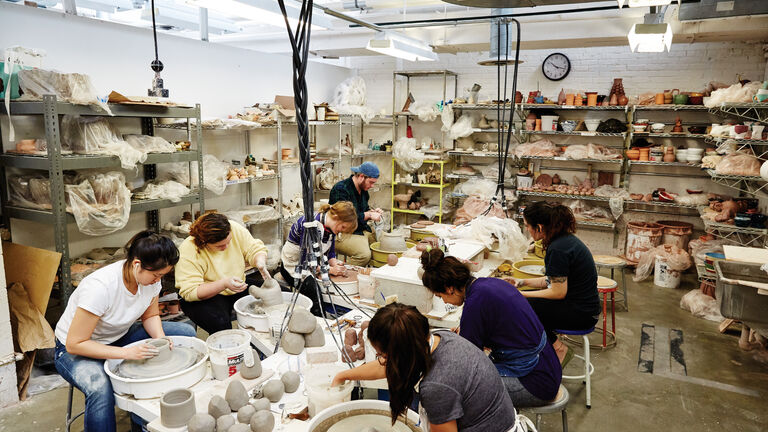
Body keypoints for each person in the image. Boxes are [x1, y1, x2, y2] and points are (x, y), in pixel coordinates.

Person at [54, 231, 196, 432]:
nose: (158, 281)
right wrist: (127, 353)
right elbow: (75, 343)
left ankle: (144, 419)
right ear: (137, 264)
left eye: (162, 276)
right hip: (75, 349)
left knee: (185, 334)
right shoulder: (100, 288)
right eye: (156, 275)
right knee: (99, 387)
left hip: (118, 335)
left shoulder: (150, 281)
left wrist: (161, 338)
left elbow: (150, 316)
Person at [332, 303, 520, 432]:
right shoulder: (439, 338)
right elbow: (389, 366)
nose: (381, 360)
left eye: (382, 355)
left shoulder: (437, 386)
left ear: (400, 354)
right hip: (491, 417)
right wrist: (343, 375)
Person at [419, 248, 561, 407]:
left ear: (449, 288)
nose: (444, 302)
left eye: (440, 296)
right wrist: (467, 328)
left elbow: (466, 361)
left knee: (457, 392)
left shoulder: (474, 305)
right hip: (549, 365)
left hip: (536, 382)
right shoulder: (489, 284)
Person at [515, 201, 600, 365]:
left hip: (581, 314)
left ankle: (558, 348)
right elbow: (552, 281)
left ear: (539, 227)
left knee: (519, 307)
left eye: (527, 226)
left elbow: (557, 292)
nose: (527, 229)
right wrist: (521, 282)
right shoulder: (564, 241)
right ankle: (545, 348)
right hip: (584, 307)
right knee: (524, 302)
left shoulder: (558, 249)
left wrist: (519, 294)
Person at [175, 212, 270, 335]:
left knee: (281, 295)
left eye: (229, 241)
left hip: (235, 284)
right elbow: (191, 291)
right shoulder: (189, 249)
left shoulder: (232, 228)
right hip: (204, 294)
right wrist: (223, 283)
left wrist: (260, 261)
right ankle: (228, 351)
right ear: (204, 242)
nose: (226, 247)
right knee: (221, 324)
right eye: (220, 246)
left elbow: (253, 248)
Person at [280, 201, 358, 314]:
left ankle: (333, 312)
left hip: (313, 262)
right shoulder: (311, 225)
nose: (342, 231)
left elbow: (330, 252)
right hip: (293, 265)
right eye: (343, 227)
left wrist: (335, 265)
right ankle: (319, 320)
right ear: (336, 217)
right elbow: (306, 261)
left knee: (338, 274)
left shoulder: (331, 227)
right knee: (314, 289)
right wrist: (330, 270)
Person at [329, 161, 383, 266]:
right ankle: (342, 273)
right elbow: (344, 218)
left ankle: (368, 274)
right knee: (364, 254)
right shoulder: (341, 189)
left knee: (381, 244)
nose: (372, 186)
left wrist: (372, 212)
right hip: (340, 232)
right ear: (361, 176)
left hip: (358, 229)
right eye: (371, 182)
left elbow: (364, 211)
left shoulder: (363, 190)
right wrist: (368, 215)